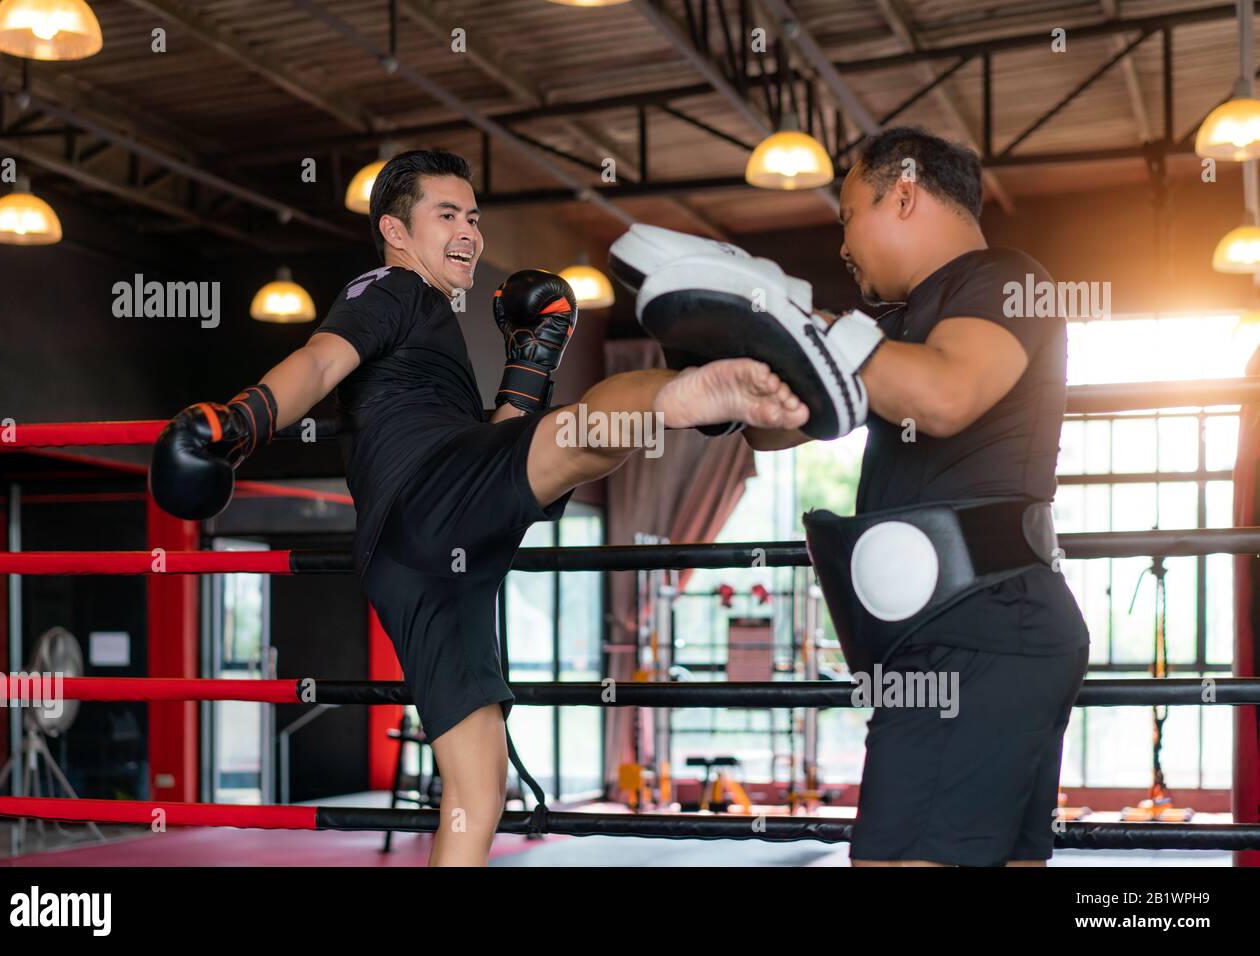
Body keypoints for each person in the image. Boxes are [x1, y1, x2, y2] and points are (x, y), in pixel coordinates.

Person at [148, 149, 810, 866]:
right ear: (396, 230)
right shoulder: (394, 287)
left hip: (425, 559)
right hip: (425, 500)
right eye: (447, 215)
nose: (468, 231)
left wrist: (528, 371)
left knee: (478, 789)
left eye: (473, 217)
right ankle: (702, 393)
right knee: (585, 437)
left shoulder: (432, 325)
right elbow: (319, 360)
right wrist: (246, 420)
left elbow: (494, 463)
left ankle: (692, 403)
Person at [743, 127, 1090, 866]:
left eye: (846, 216)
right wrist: (752, 354)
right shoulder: (890, 331)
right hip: (955, 638)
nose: (842, 244)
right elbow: (771, 431)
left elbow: (947, 395)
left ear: (902, 191)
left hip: (981, 630)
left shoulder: (1002, 278)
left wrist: (819, 332)